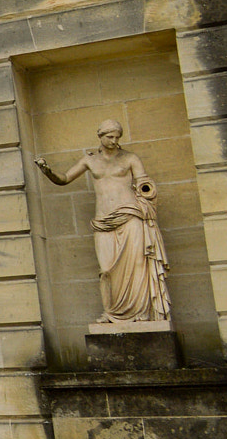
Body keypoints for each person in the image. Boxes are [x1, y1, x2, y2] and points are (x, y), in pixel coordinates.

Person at [35, 119, 171, 323]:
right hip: (103, 221)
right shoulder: (89, 160)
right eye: (109, 136)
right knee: (106, 269)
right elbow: (64, 179)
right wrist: (47, 171)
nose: (114, 140)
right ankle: (113, 313)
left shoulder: (130, 158)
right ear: (100, 136)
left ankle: (142, 313)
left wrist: (146, 189)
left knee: (138, 264)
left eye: (117, 137)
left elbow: (143, 182)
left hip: (130, 215)